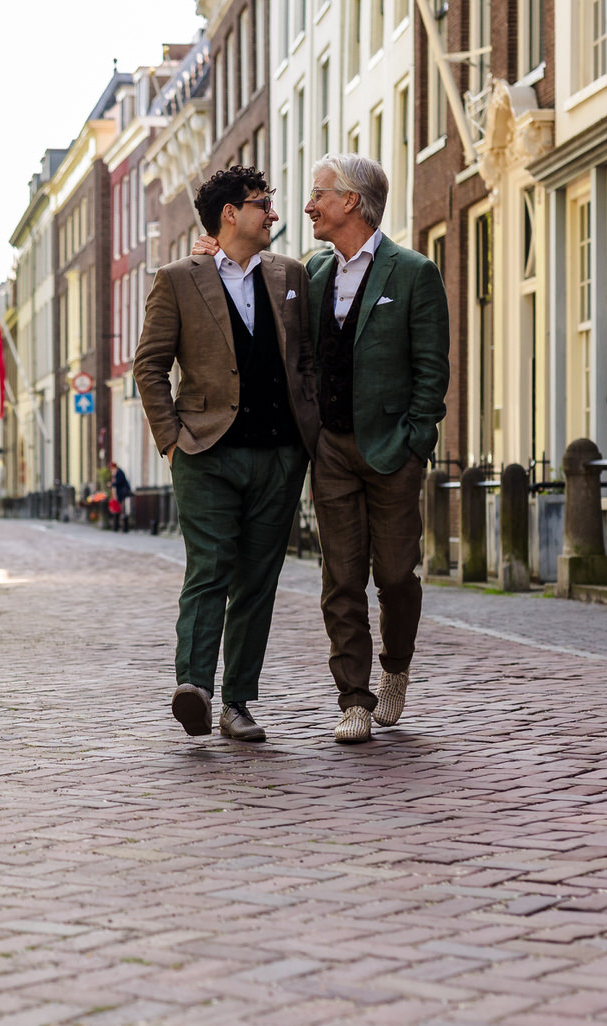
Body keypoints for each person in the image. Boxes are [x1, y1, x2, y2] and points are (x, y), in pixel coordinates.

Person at [200, 154, 450, 743]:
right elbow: (249, 276)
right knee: (340, 578)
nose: (307, 206)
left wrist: (416, 441)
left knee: (394, 576)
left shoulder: (414, 272)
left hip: (394, 451)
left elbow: (432, 372)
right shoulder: (309, 274)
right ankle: (354, 698)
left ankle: (395, 669)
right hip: (331, 450)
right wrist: (208, 253)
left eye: (318, 195)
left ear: (351, 203)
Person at [133, 165, 318, 743]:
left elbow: (308, 358)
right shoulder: (178, 279)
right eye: (264, 204)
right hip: (206, 453)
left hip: (281, 457)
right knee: (210, 569)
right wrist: (173, 441)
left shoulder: (291, 274)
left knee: (259, 580)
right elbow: (150, 366)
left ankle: (237, 702)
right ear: (230, 214)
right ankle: (194, 686)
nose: (275, 215)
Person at [107, 460, 132, 532]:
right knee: (118, 508)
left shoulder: (119, 472)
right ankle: (118, 525)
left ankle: (123, 526)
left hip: (122, 493)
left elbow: (119, 482)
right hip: (119, 493)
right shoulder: (116, 473)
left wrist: (111, 484)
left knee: (120, 508)